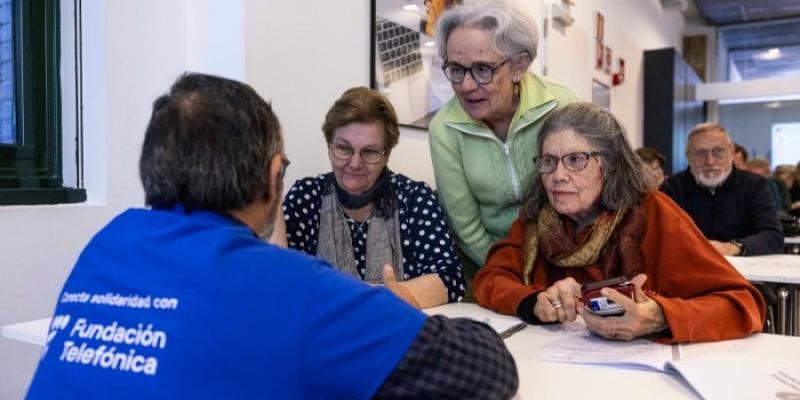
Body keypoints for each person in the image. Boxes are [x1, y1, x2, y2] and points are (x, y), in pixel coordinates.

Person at [26, 73, 518, 399]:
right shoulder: (288, 288)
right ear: (271, 176)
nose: (354, 162)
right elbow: (486, 371)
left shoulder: (107, 246)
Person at [473, 103, 765, 343]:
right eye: (549, 161)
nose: (557, 175)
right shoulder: (537, 217)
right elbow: (490, 279)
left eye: (575, 159)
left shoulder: (653, 212)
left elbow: (743, 303)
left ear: (611, 165)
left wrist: (661, 316)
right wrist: (533, 301)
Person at [428, 0, 578, 288]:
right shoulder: (444, 129)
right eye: (456, 69)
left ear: (519, 65)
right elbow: (466, 227)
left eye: (482, 69)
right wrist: (511, 276)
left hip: (567, 261)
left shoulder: (561, 104)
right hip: (489, 265)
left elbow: (588, 198)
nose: (467, 86)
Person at [283, 87, 465, 308]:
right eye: (343, 148)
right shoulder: (305, 196)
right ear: (330, 146)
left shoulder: (414, 197)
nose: (355, 163)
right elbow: (282, 277)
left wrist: (368, 300)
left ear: (386, 154)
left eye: (369, 152)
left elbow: (450, 278)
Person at [661, 123, 784, 256]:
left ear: (731, 152)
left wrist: (734, 247)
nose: (710, 161)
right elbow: (661, 236)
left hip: (744, 271)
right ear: (688, 156)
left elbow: (773, 236)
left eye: (718, 151)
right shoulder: (672, 188)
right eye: (700, 153)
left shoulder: (755, 185)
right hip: (689, 266)